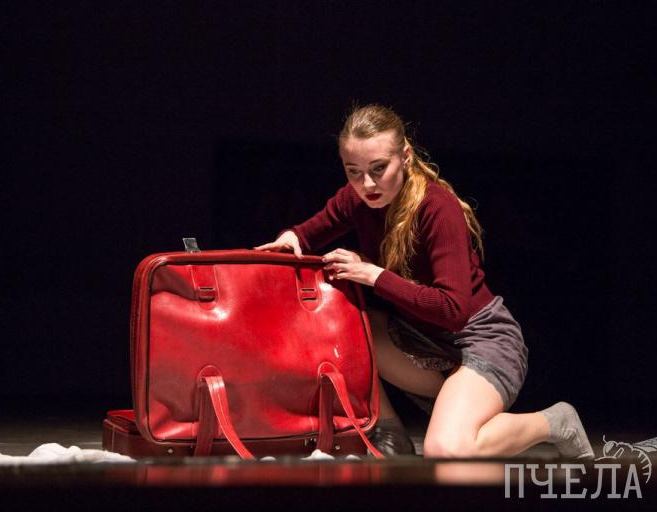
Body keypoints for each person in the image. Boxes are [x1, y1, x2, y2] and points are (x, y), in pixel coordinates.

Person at [254, 104, 594, 459]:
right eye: (353, 171)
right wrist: (290, 239)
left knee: (446, 449)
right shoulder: (357, 199)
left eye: (379, 168)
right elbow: (306, 233)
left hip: (483, 341)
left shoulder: (437, 207)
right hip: (426, 344)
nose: (367, 184)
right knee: (342, 324)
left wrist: (375, 275)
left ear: (405, 155)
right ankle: (390, 434)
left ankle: (555, 422)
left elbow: (452, 310)